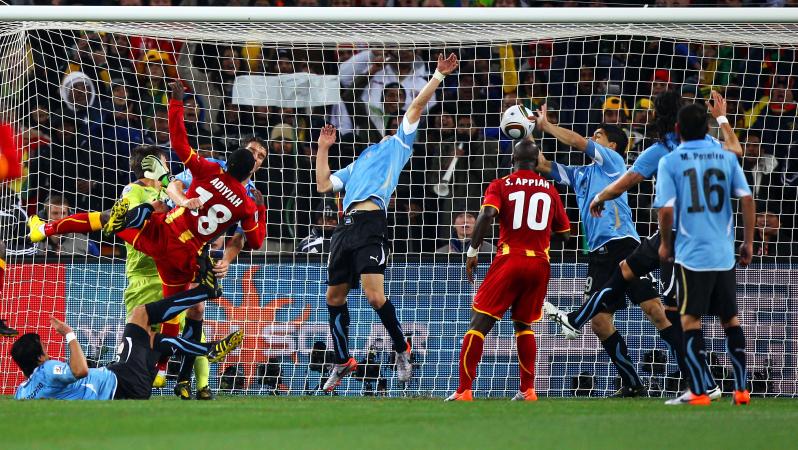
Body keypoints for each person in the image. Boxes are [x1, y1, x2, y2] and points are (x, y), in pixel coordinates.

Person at [552, 90, 741, 400]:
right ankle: (702, 383)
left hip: (678, 234)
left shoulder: (658, 150)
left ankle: (703, 384)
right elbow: (736, 149)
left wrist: (600, 197)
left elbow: (625, 183)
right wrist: (721, 116)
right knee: (642, 284)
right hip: (714, 237)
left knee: (665, 307)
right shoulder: (708, 144)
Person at [315, 53, 459, 392]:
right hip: (344, 228)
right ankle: (342, 359)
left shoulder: (398, 144)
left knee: (374, 296)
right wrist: (323, 148)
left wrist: (437, 75)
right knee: (334, 298)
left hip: (371, 224)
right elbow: (323, 185)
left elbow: (416, 108)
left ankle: (401, 347)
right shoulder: (358, 161)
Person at [534, 104, 679, 398]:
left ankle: (694, 373)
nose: (592, 137)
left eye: (598, 135)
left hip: (624, 244)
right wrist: (523, 130)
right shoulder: (579, 174)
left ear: (612, 145)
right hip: (598, 253)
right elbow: (541, 164)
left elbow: (576, 141)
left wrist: (547, 125)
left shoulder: (613, 163)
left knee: (654, 311)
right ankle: (633, 383)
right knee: (600, 323)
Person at [445, 140, 570, 402]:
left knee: (478, 324)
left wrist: (472, 251)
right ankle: (528, 390)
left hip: (509, 258)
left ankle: (464, 390)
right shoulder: (550, 189)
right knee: (524, 325)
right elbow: (566, 232)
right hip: (539, 263)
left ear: (512, 159)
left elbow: (488, 214)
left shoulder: (501, 184)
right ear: (537, 163)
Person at [11, 269, 243, 400]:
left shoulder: (23, 392)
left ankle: (203, 355)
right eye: (44, 349)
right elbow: (80, 370)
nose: (48, 354)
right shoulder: (47, 370)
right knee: (141, 314)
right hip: (121, 380)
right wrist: (69, 334)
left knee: (151, 339)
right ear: (40, 358)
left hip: (129, 385)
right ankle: (205, 292)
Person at [655, 103, 754, 406]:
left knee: (689, 320)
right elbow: (747, 199)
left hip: (691, 254)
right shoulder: (725, 158)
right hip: (724, 253)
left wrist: (666, 244)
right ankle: (741, 389)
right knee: (731, 320)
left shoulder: (671, 161)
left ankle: (699, 391)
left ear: (677, 130)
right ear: (708, 129)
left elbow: (667, 209)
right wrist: (747, 242)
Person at [35, 195, 100, 256]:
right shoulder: (35, 242)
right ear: (45, 216)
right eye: (55, 213)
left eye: (63, 213)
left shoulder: (84, 242)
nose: (60, 218)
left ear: (69, 216)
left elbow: (99, 265)